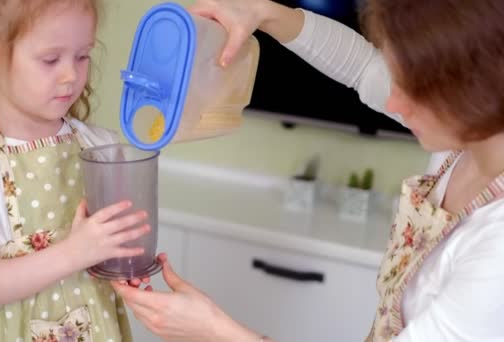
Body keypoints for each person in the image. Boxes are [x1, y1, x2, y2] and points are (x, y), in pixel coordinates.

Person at [112, 0, 504, 341]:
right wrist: (263, 12)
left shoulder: (496, 255)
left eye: (412, 86)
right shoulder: (471, 135)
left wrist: (214, 331)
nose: (394, 102)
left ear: (473, 88)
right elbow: (362, 67)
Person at [0, 0, 152, 341]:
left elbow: (105, 243)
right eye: (50, 59)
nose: (71, 75)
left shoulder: (98, 145)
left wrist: (121, 264)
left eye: (82, 55)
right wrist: (75, 252)